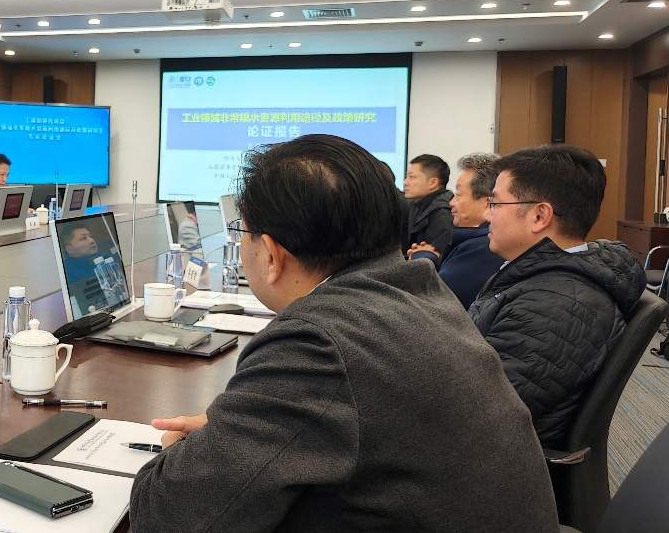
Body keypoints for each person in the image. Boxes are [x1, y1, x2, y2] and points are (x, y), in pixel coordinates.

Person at [129, 135, 558, 533]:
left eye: (243, 232)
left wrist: (185, 454)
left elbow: (167, 516)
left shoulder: (316, 344)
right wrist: (239, 429)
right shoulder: (418, 291)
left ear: (272, 254)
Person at [468, 144, 644, 448]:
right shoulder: (548, 280)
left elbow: (475, 415)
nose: (486, 215)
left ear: (539, 216)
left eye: (495, 204)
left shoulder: (556, 306)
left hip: (496, 464)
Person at [409, 153, 504, 308]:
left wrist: (422, 260)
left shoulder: (483, 248)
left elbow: (430, 300)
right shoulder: (478, 242)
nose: (452, 202)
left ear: (488, 203)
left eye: (458, 195)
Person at [404, 153, 454, 256]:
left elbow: (439, 256)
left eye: (412, 177)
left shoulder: (442, 213)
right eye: (406, 176)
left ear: (433, 183)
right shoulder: (418, 204)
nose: (405, 182)